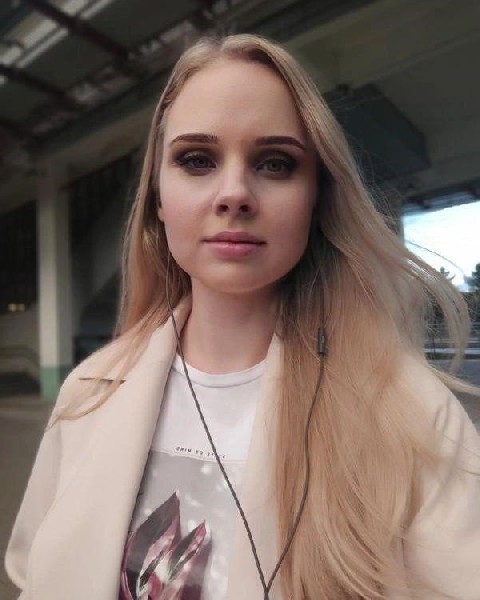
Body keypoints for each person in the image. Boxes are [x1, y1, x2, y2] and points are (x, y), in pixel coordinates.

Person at [5, 34, 480, 600]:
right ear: (158, 199)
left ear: (316, 198)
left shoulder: (415, 417)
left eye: (275, 163)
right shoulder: (87, 393)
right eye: (196, 160)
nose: (234, 194)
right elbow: (35, 575)